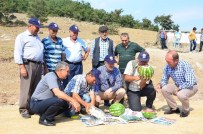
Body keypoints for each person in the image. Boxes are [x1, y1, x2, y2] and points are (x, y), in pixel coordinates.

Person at [30, 61, 80, 126]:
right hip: (36, 104)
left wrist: (71, 103)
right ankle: (44, 119)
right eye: (67, 71)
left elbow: (63, 94)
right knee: (59, 101)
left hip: (44, 103)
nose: (69, 74)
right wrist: (73, 101)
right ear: (61, 70)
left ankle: (46, 115)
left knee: (65, 104)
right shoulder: (51, 76)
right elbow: (58, 93)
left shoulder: (59, 79)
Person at [14, 18, 44, 118]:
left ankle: (31, 108)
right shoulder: (22, 37)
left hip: (38, 65)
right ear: (30, 25)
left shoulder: (37, 38)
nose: (38, 29)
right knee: (25, 88)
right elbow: (17, 52)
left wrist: (42, 65)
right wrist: (21, 67)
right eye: (36, 27)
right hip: (28, 64)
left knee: (35, 88)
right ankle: (23, 109)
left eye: (39, 28)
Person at [156, 50, 198, 117]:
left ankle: (185, 110)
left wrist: (179, 88)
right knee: (164, 89)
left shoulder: (185, 65)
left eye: (169, 61)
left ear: (176, 61)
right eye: (166, 61)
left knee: (180, 94)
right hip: (178, 85)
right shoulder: (167, 66)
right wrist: (160, 85)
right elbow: (164, 79)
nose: (167, 63)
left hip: (192, 86)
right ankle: (174, 108)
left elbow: (190, 82)